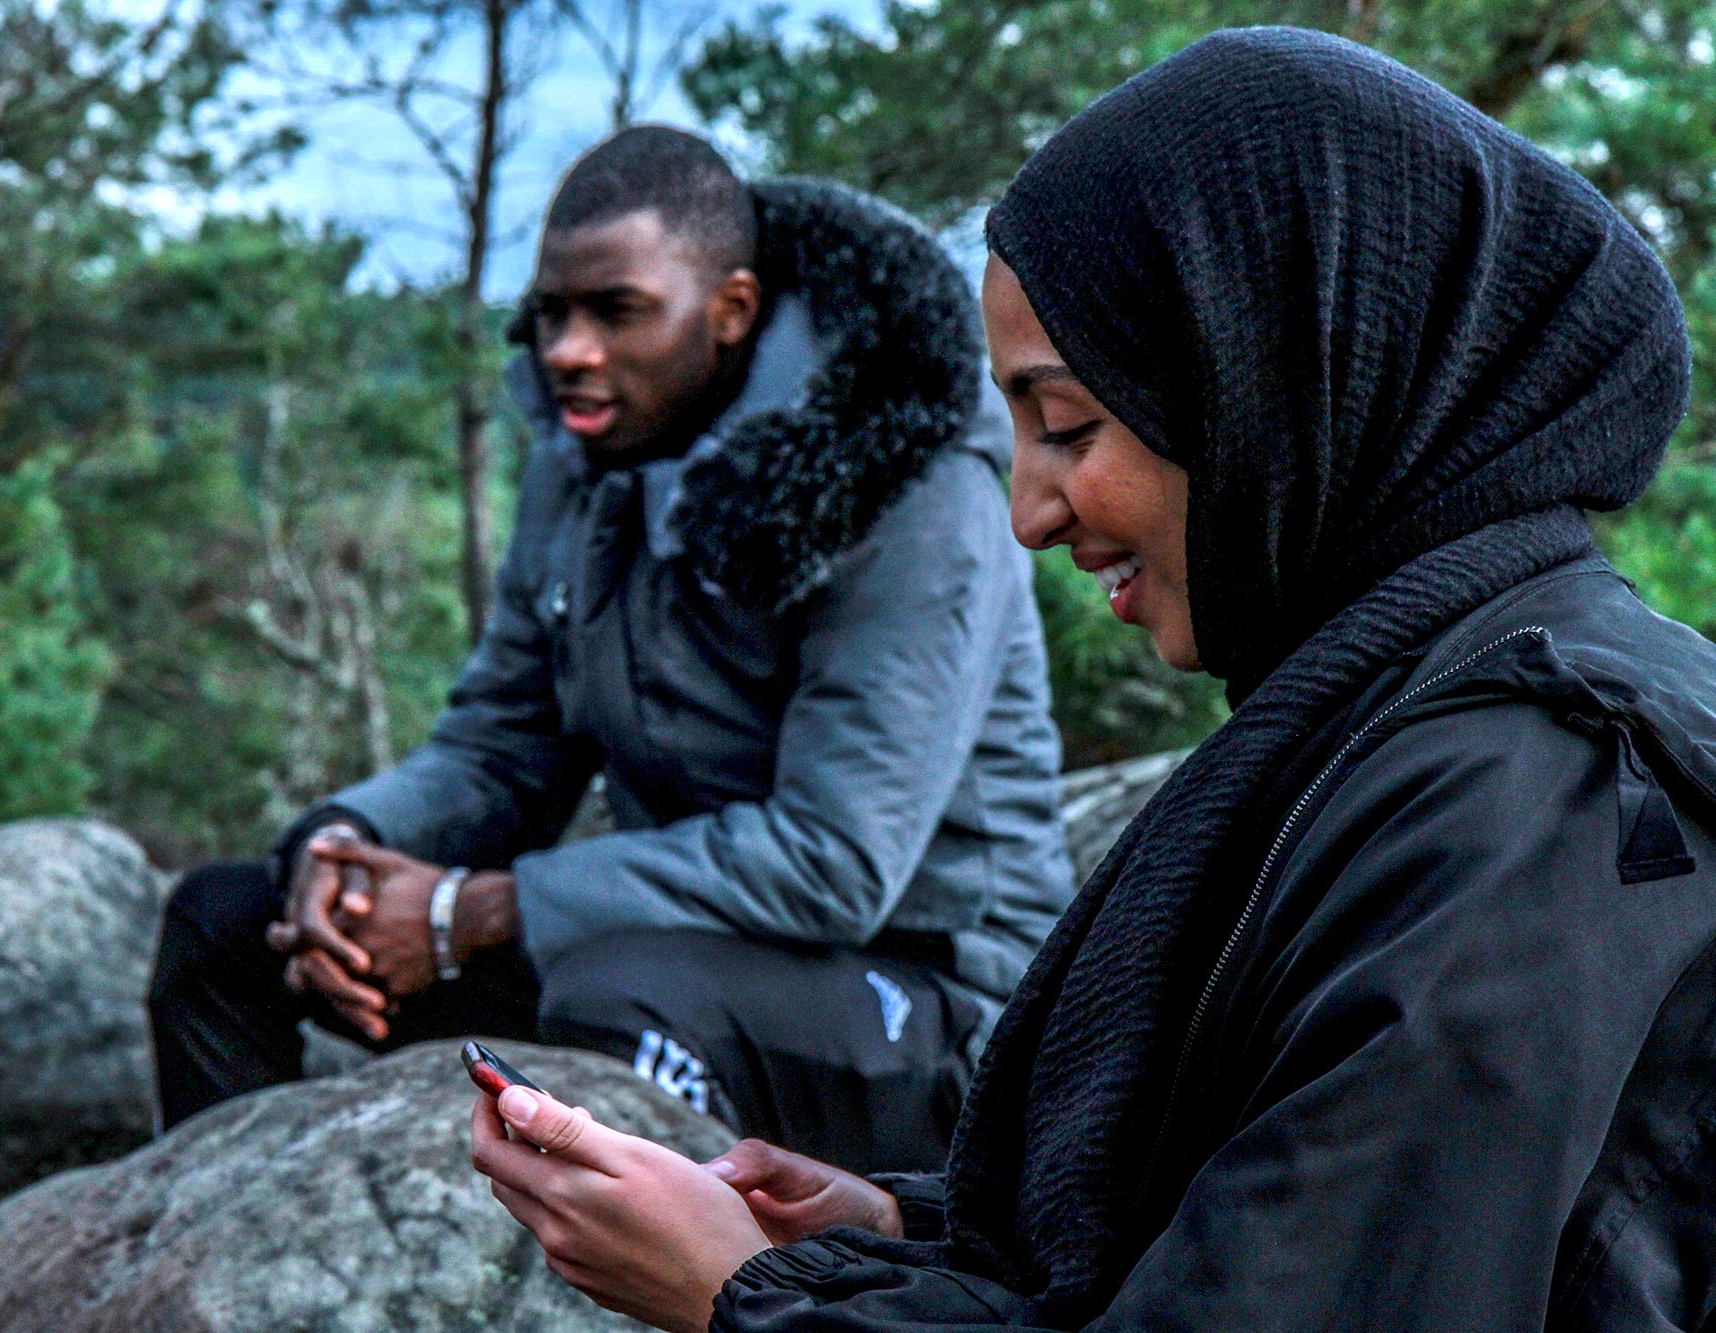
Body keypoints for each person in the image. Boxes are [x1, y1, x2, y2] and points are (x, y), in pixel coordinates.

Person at [468, 27, 1716, 1332]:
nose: (1032, 512)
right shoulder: (1403, 716)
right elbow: (1263, 1209)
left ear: (1273, 380)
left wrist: (743, 1298)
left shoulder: (1539, 803)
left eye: (1069, 425)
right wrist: (895, 1227)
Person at [145, 126, 1074, 1175]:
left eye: (616, 312)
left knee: (614, 1009)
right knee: (231, 924)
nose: (566, 351)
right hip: (669, 944)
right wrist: (340, 855)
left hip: (929, 1003)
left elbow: (833, 862)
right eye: (548, 313)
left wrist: (466, 914)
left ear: (729, 310)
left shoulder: (902, 481)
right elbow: (501, 746)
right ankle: (225, 1255)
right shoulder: (586, 453)